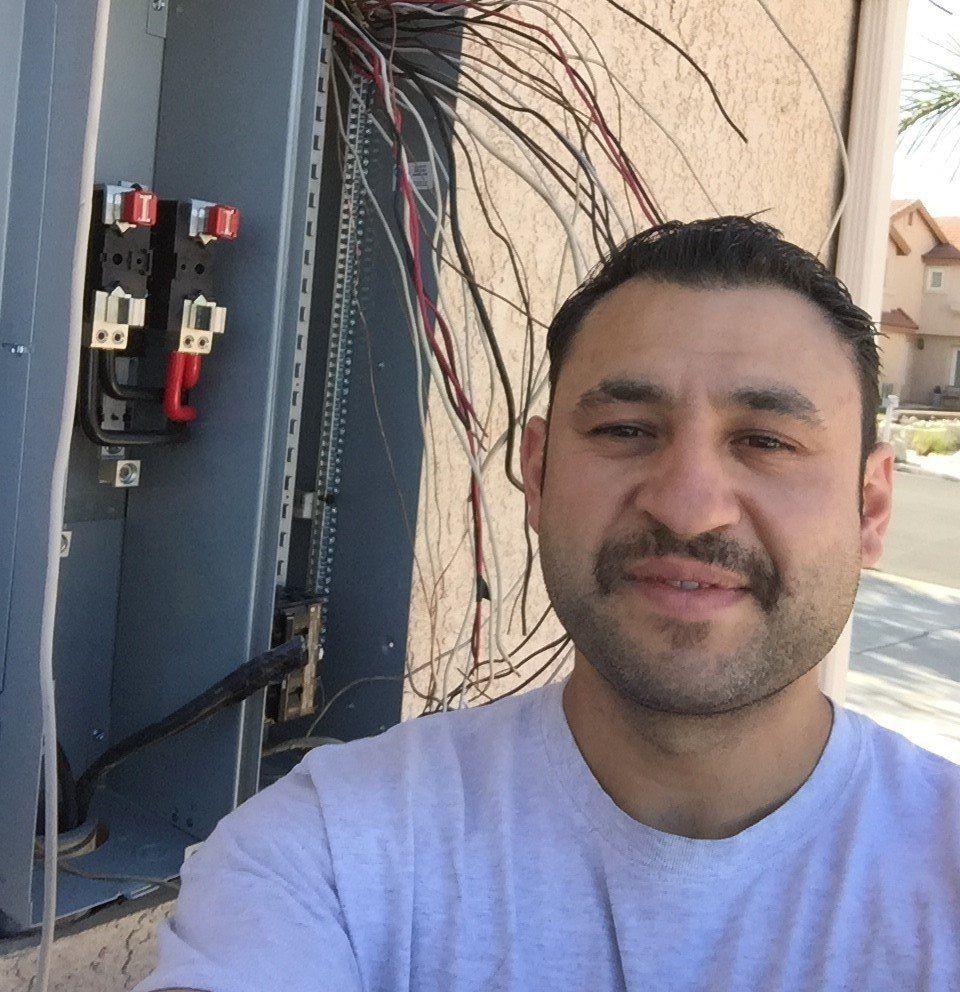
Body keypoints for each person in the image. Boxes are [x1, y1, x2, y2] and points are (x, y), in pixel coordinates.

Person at [137, 216, 960, 992]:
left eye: (767, 441)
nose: (688, 505)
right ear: (537, 474)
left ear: (871, 508)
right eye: (628, 429)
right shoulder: (329, 856)